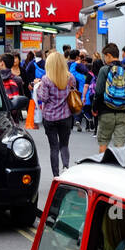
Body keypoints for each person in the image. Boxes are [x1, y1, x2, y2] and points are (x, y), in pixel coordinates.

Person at [33, 49, 78, 177]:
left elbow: (44, 98)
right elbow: (73, 91)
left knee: (54, 147)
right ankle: (65, 167)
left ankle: (56, 175)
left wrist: (38, 86)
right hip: (65, 116)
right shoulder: (70, 77)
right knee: (64, 144)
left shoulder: (46, 79)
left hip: (50, 117)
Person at [93, 43, 125, 154]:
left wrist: (95, 109)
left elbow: (98, 92)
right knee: (120, 144)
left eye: (104, 56)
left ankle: (102, 168)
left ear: (109, 55)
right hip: (123, 113)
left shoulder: (104, 70)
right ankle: (118, 167)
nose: (104, 59)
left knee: (103, 142)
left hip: (106, 112)